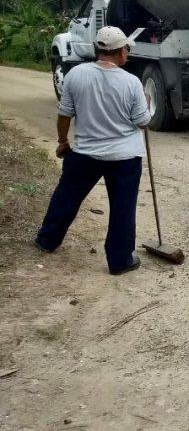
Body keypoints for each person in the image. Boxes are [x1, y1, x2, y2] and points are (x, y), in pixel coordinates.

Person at [35, 26, 151, 275]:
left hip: (85, 154)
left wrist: (62, 141)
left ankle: (47, 240)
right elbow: (142, 122)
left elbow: (64, 114)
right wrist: (146, 105)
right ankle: (120, 261)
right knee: (122, 208)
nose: (127, 54)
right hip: (125, 158)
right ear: (120, 51)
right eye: (126, 50)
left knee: (65, 198)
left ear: (98, 50)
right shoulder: (131, 82)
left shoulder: (76, 74)